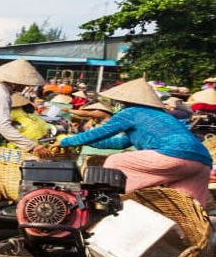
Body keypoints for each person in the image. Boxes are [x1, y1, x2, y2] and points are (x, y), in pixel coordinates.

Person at [59, 78, 212, 204]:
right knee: (186, 207)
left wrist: (66, 142)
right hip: (202, 162)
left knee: (116, 161)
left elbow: (101, 132)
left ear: (123, 101)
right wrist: (84, 142)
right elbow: (120, 143)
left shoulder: (130, 112)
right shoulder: (159, 115)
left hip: (174, 154)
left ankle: (104, 204)